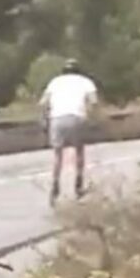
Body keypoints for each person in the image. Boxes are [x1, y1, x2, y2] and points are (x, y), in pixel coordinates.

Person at [39, 58, 98, 206]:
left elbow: (43, 102)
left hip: (57, 119)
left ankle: (55, 184)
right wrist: (91, 119)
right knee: (79, 151)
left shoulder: (55, 82)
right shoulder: (85, 81)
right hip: (77, 117)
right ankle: (78, 184)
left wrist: (44, 120)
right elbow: (94, 101)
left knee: (58, 155)